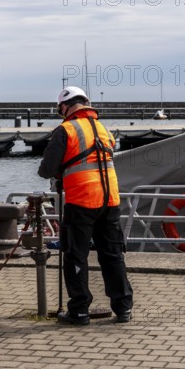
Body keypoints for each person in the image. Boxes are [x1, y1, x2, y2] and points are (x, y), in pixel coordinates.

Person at [38, 86, 133, 325]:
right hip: (110, 199)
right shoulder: (103, 129)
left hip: (81, 200)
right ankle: (123, 308)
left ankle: (79, 311)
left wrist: (61, 172)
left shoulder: (66, 129)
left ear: (65, 107)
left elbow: (46, 170)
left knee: (75, 256)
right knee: (112, 255)